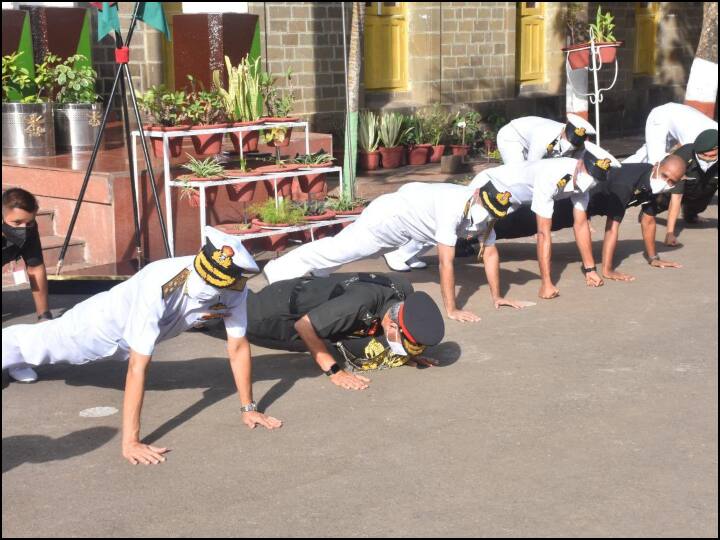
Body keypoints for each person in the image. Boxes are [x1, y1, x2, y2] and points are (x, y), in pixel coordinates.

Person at [2, 226, 281, 465]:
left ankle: (18, 360)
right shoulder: (160, 282)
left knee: (40, 349)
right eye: (203, 283)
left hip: (132, 336)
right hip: (100, 326)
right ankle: (14, 355)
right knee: (44, 345)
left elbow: (238, 346)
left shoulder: (234, 288)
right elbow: (138, 367)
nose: (206, 291)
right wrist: (131, 442)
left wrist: (249, 408)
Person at [263, 181, 529, 323]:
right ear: (475, 195)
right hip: (389, 218)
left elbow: (491, 252)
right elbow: (445, 263)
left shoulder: (486, 211)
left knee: (345, 251)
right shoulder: (453, 207)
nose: (483, 220)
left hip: (407, 222)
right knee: (341, 249)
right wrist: (452, 309)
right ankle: (279, 270)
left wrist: (498, 296)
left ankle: (315, 278)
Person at [487, 155, 688, 275]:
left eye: (672, 181)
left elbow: (649, 220)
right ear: (657, 166)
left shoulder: (654, 185)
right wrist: (607, 270)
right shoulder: (625, 184)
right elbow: (612, 228)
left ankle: (477, 239)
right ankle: (470, 240)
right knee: (524, 223)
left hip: (590, 204)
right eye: (664, 176)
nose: (666, 182)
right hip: (579, 197)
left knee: (523, 222)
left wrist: (653, 257)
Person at [470, 142, 621, 299]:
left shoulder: (584, 183)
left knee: (476, 234)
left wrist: (591, 270)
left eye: (593, 180)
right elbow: (543, 232)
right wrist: (546, 284)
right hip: (491, 185)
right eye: (587, 175)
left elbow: (581, 224)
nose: (588, 183)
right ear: (580, 164)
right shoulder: (551, 175)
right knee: (461, 228)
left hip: (516, 199)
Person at [245, 272, 445, 390]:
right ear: (392, 325)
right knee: (220, 319)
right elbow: (303, 326)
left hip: (316, 299)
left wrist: (410, 350)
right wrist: (335, 372)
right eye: (399, 342)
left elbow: (410, 321)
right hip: (274, 312)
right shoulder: (358, 305)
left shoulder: (402, 290)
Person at [2, 187, 52, 383]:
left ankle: (14, 360)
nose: (23, 228)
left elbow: (35, 268)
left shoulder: (29, 229)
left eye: (28, 222)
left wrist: (44, 317)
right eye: (16, 223)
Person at [655, 129, 718, 248]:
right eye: (702, 155)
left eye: (712, 156)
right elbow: (676, 198)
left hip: (700, 189)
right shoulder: (683, 157)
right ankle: (649, 209)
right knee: (660, 202)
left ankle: (691, 213)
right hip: (673, 191)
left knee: (701, 202)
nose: (706, 159)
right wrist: (670, 233)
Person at [624, 103, 718, 165]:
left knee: (644, 155)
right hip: (661, 116)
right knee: (656, 163)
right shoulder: (697, 140)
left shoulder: (711, 134)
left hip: (676, 118)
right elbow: (686, 161)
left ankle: (616, 170)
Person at [495, 113, 596, 164]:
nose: (570, 148)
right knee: (516, 173)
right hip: (513, 136)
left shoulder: (580, 145)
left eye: (573, 146)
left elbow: (575, 166)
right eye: (567, 140)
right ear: (563, 131)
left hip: (531, 141)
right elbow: (531, 167)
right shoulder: (544, 136)